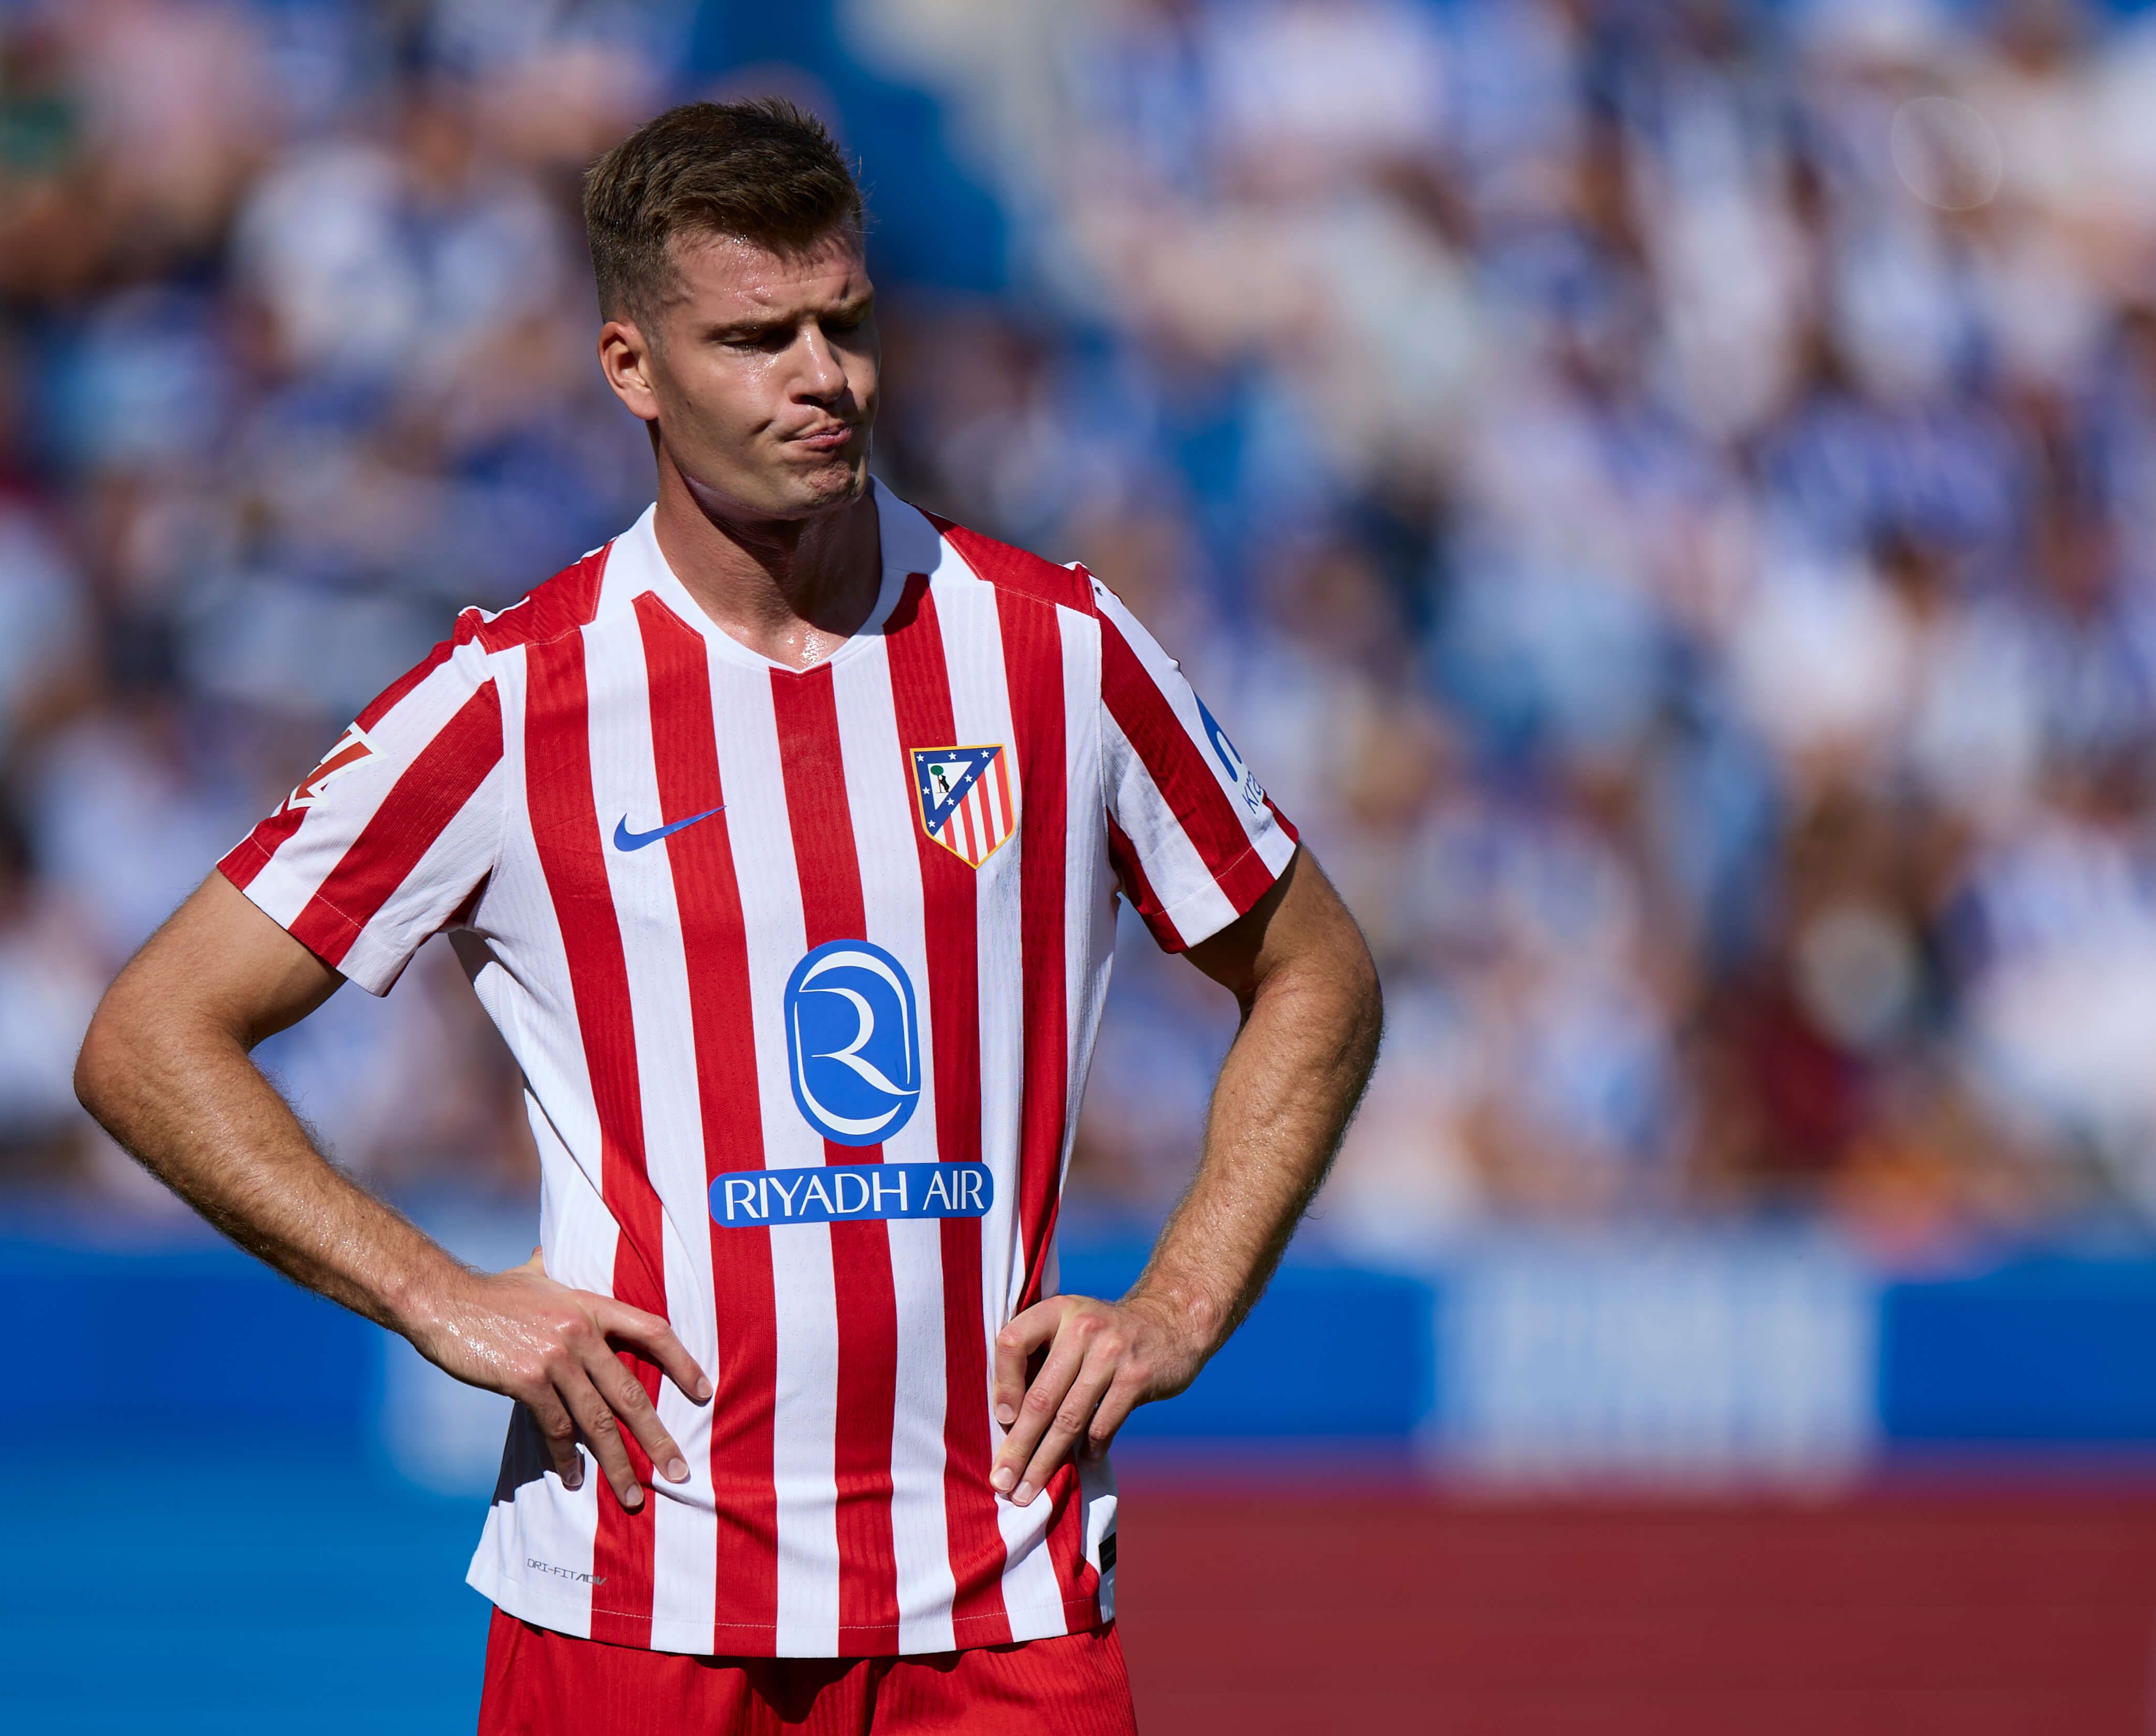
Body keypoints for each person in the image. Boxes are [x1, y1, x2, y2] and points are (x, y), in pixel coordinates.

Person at [74, 98, 1381, 1735]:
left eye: (847, 323)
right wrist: (434, 1293)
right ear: (632, 367)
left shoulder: (1057, 652)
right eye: (758, 339)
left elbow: (1315, 973)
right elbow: (151, 1037)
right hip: (641, 1600)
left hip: (1001, 1596)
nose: (824, 377)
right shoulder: (517, 698)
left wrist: (1181, 1304)